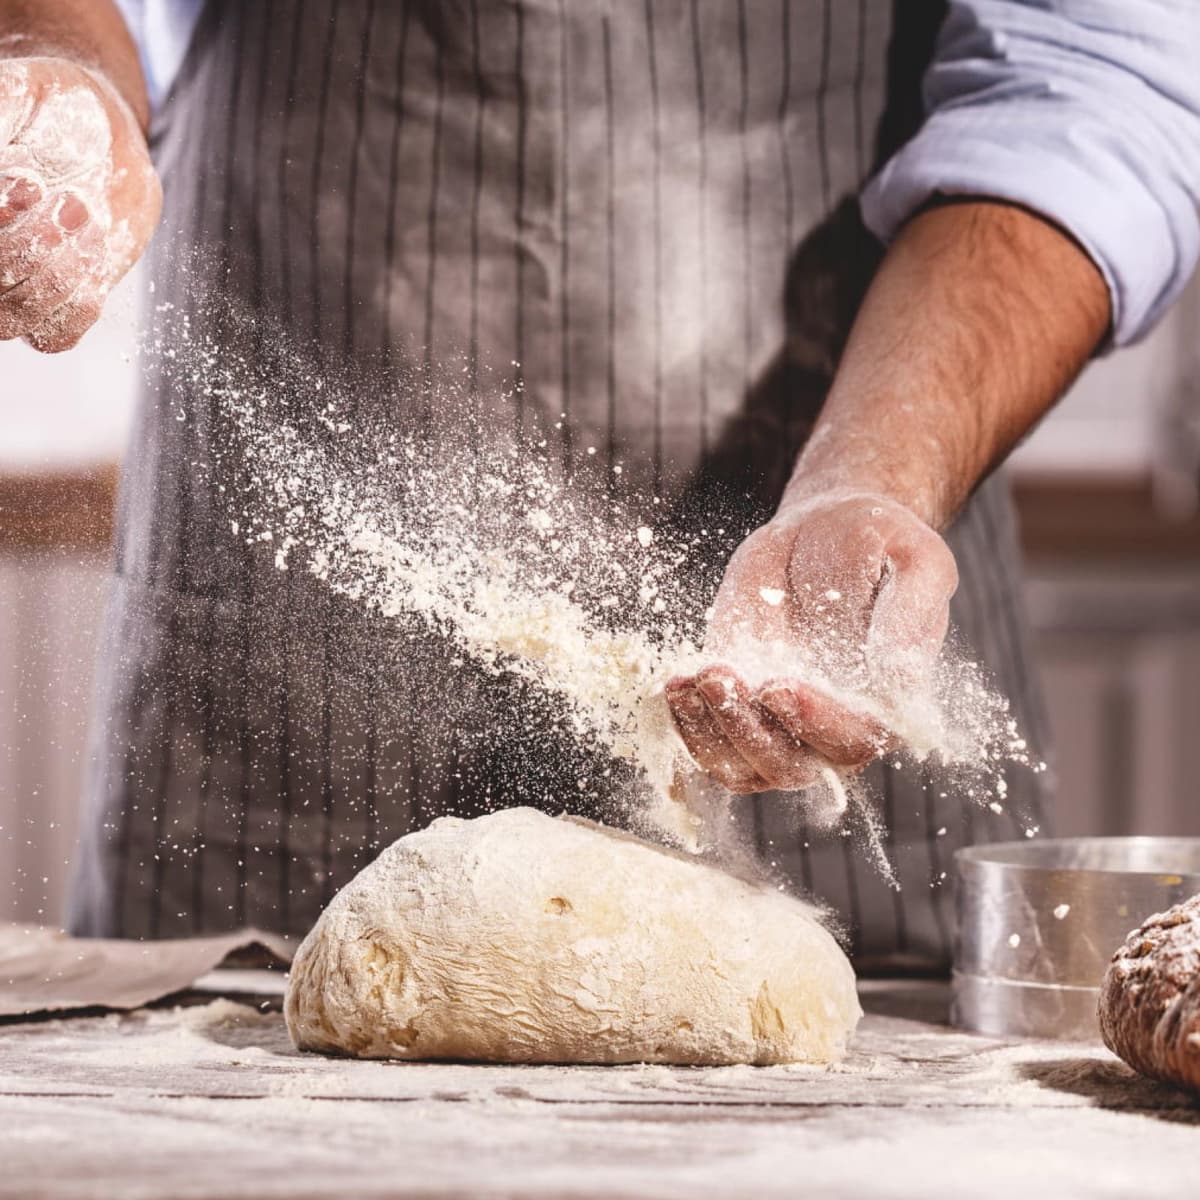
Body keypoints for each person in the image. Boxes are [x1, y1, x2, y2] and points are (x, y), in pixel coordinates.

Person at [2, 0, 1196, 967]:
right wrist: (52, 64)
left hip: (834, 567)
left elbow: (1092, 79)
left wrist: (871, 472)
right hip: (275, 701)